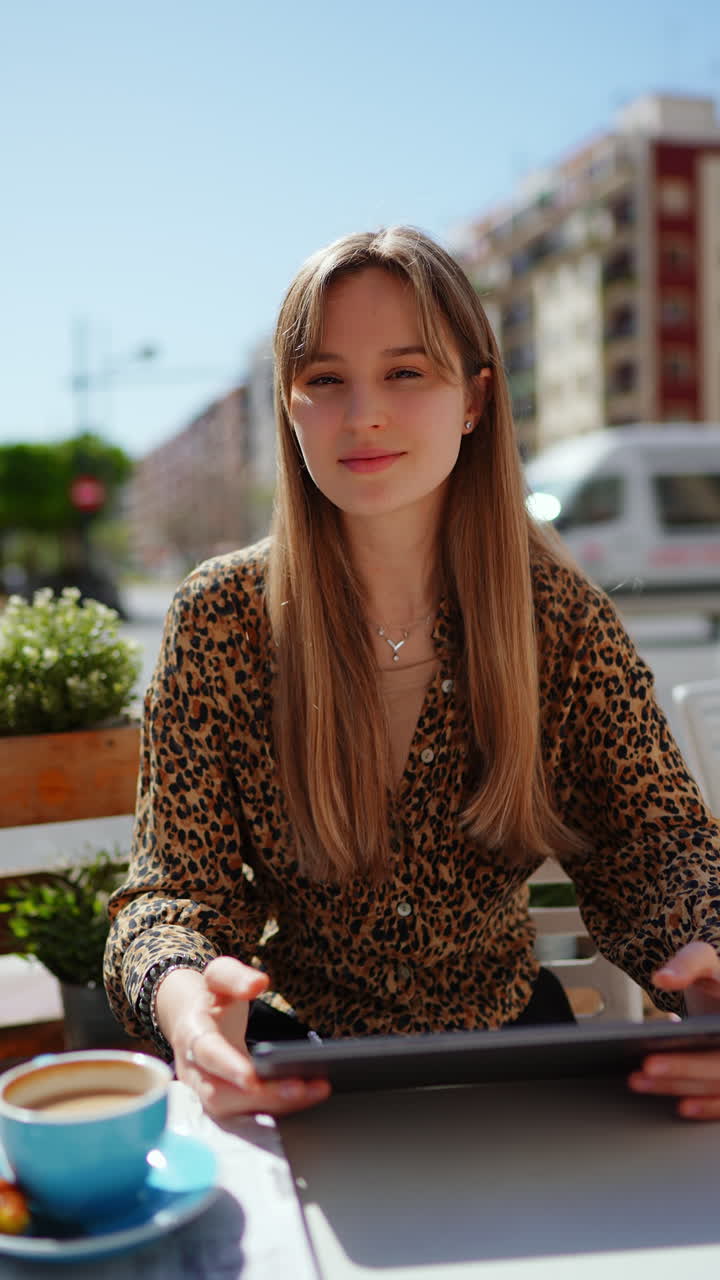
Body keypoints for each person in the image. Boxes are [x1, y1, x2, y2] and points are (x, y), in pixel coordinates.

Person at [105, 226, 720, 1122]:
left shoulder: (559, 615)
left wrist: (706, 959)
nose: (363, 416)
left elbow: (655, 844)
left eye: (405, 372)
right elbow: (171, 893)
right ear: (288, 405)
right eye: (325, 380)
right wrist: (185, 998)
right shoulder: (219, 619)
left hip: (518, 1067)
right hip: (293, 1077)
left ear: (475, 399)